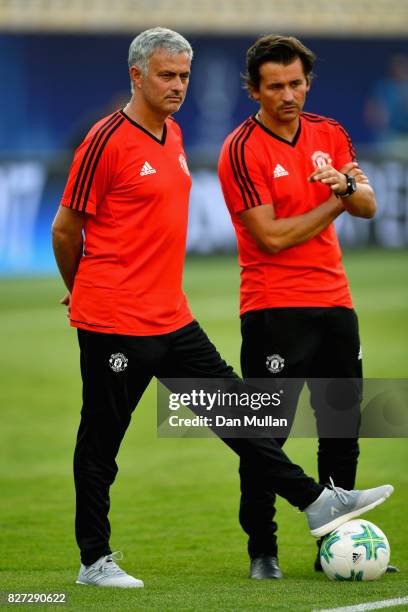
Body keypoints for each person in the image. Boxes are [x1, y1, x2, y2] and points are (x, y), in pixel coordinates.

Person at [52, 28, 393, 588]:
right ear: (136, 76)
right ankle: (95, 560)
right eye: (167, 74)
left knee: (242, 418)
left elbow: (364, 202)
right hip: (115, 320)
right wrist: (83, 286)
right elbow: (66, 229)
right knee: (101, 445)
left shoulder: (176, 134)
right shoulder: (105, 139)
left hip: (172, 317)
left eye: (184, 75)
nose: (179, 85)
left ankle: (317, 504)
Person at [218, 34, 398, 579]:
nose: (288, 95)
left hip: (335, 303)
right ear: (254, 90)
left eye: (296, 83)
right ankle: (262, 550)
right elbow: (272, 238)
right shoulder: (241, 149)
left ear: (307, 82)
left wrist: (344, 184)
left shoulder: (331, 133)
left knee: (342, 429)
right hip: (274, 309)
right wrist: (335, 201)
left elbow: (368, 202)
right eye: (275, 86)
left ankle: (336, 548)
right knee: (267, 433)